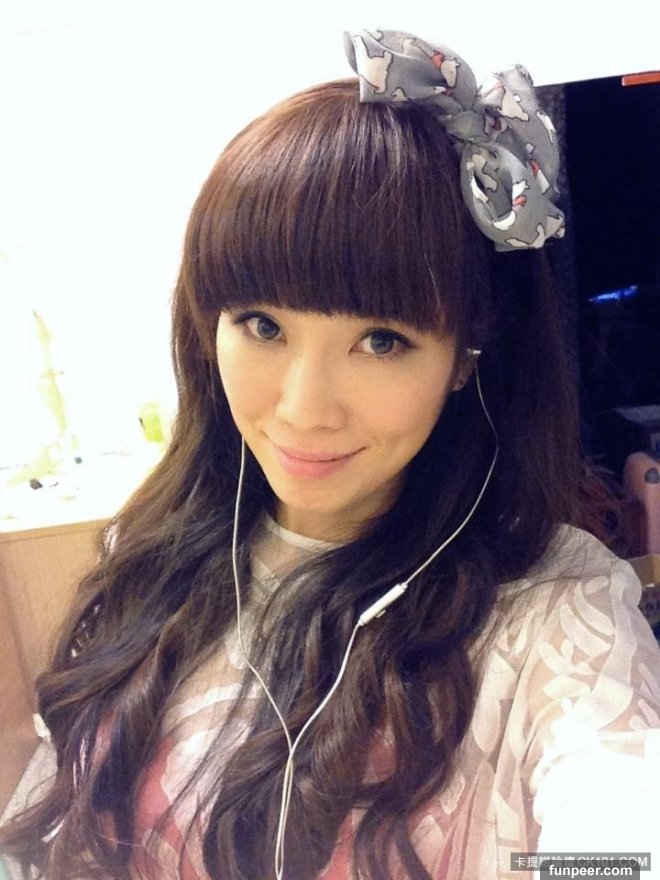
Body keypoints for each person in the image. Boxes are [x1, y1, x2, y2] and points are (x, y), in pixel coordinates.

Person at [2, 28, 660, 880]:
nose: (303, 410)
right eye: (262, 325)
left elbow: (618, 829)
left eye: (381, 340)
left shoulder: (551, 613)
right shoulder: (155, 555)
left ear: (464, 357)